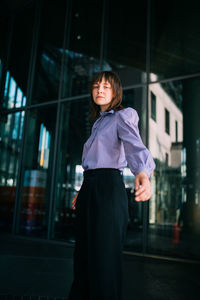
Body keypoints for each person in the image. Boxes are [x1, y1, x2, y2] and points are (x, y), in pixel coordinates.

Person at [68, 70, 156, 300]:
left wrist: (143, 172)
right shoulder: (97, 123)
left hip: (108, 189)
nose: (100, 90)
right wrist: (84, 190)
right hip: (90, 188)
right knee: (83, 259)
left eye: (106, 86)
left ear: (116, 91)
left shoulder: (123, 116)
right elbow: (93, 164)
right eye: (97, 86)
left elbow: (135, 145)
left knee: (104, 261)